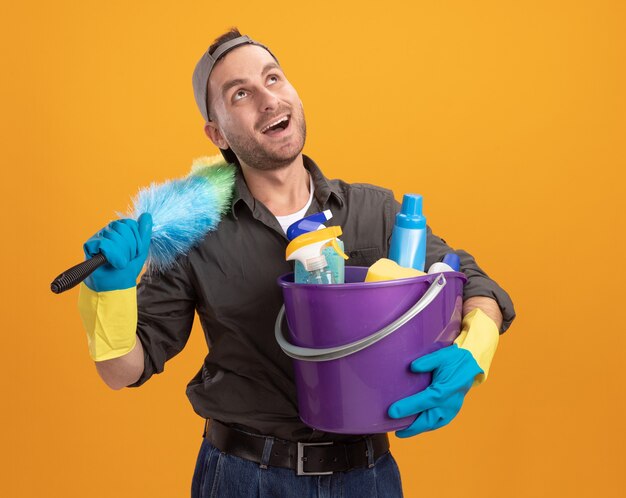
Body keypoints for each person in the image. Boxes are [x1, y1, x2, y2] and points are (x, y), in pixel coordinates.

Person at [77, 28, 515, 498]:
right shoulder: (194, 238)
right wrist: (110, 292)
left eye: (274, 79)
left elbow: (475, 284)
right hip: (245, 478)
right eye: (241, 93)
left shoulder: (375, 212)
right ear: (216, 132)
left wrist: (474, 350)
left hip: (367, 477)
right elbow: (122, 369)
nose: (268, 99)